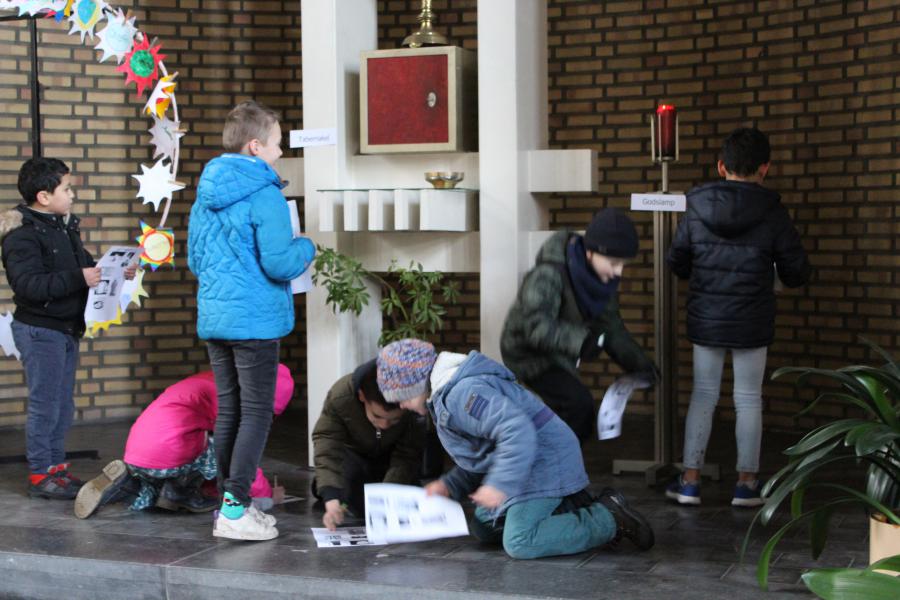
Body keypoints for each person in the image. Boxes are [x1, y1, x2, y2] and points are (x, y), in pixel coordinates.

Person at [377, 338, 655, 560]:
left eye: (400, 397)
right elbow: (482, 452)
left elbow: (516, 430)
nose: (399, 405)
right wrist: (451, 486)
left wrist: (499, 484)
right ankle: (568, 506)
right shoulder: (445, 395)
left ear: (415, 383)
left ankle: (608, 519)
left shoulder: (463, 394)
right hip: (525, 462)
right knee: (484, 527)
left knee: (519, 541)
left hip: (545, 459)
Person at [187, 100, 316, 541]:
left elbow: (194, 260)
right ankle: (237, 509)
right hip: (255, 321)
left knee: (230, 411)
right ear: (256, 146)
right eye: (278, 144)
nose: (281, 153)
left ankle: (228, 505)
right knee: (256, 413)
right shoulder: (265, 194)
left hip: (216, 318)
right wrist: (307, 247)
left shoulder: (206, 194)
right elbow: (281, 263)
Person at [665, 127, 811, 508]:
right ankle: (746, 484)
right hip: (752, 317)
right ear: (765, 168)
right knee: (748, 399)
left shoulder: (696, 206)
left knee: (703, 395)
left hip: (707, 317)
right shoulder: (773, 211)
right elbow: (796, 269)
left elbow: (676, 258)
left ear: (721, 165)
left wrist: (697, 275)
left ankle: (690, 482)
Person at [0, 158, 135, 500]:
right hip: (40, 329)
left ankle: (56, 468)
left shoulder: (63, 226)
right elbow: (29, 285)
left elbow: (85, 266)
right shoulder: (21, 235)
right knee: (46, 404)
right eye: (67, 189)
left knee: (62, 404)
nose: (73, 195)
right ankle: (40, 474)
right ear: (44, 196)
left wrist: (115, 270)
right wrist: (79, 277)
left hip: (65, 327)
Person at [500, 208, 657, 443]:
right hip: (527, 353)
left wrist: (641, 366)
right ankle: (547, 469)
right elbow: (535, 327)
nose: (618, 271)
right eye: (613, 263)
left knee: (572, 413)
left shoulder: (602, 283)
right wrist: (581, 342)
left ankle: (553, 468)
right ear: (591, 252)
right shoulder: (548, 274)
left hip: (559, 351)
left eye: (623, 264)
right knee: (577, 407)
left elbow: (612, 329)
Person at [73, 365, 294, 519]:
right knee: (222, 445)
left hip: (139, 453)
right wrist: (266, 497)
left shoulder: (216, 382)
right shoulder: (232, 400)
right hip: (169, 454)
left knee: (197, 440)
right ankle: (181, 491)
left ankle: (131, 485)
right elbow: (239, 455)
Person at [311, 359, 424, 530]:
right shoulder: (342, 395)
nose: (384, 425)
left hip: (391, 457)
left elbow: (407, 455)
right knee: (345, 499)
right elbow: (327, 443)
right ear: (362, 396)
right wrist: (331, 496)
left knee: (404, 503)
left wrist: (386, 497)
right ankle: (330, 486)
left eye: (394, 420)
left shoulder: (414, 403)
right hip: (354, 454)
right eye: (377, 416)